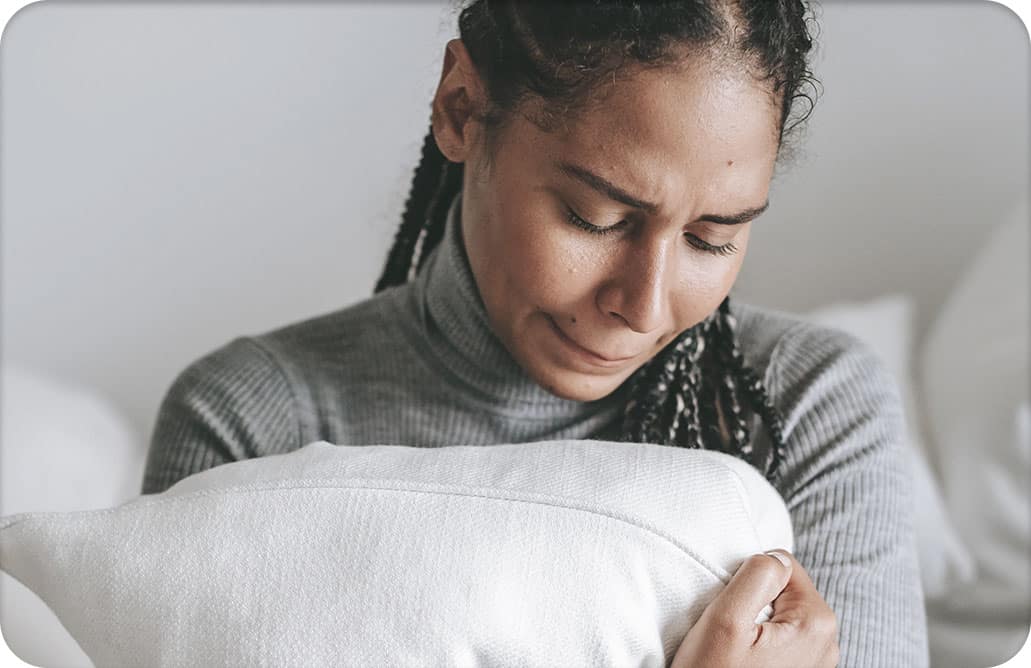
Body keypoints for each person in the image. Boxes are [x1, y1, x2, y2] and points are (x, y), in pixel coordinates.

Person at [141, 1, 927, 665]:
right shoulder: (255, 420)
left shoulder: (809, 407)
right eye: (597, 217)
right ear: (460, 109)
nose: (645, 307)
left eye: (711, 237)